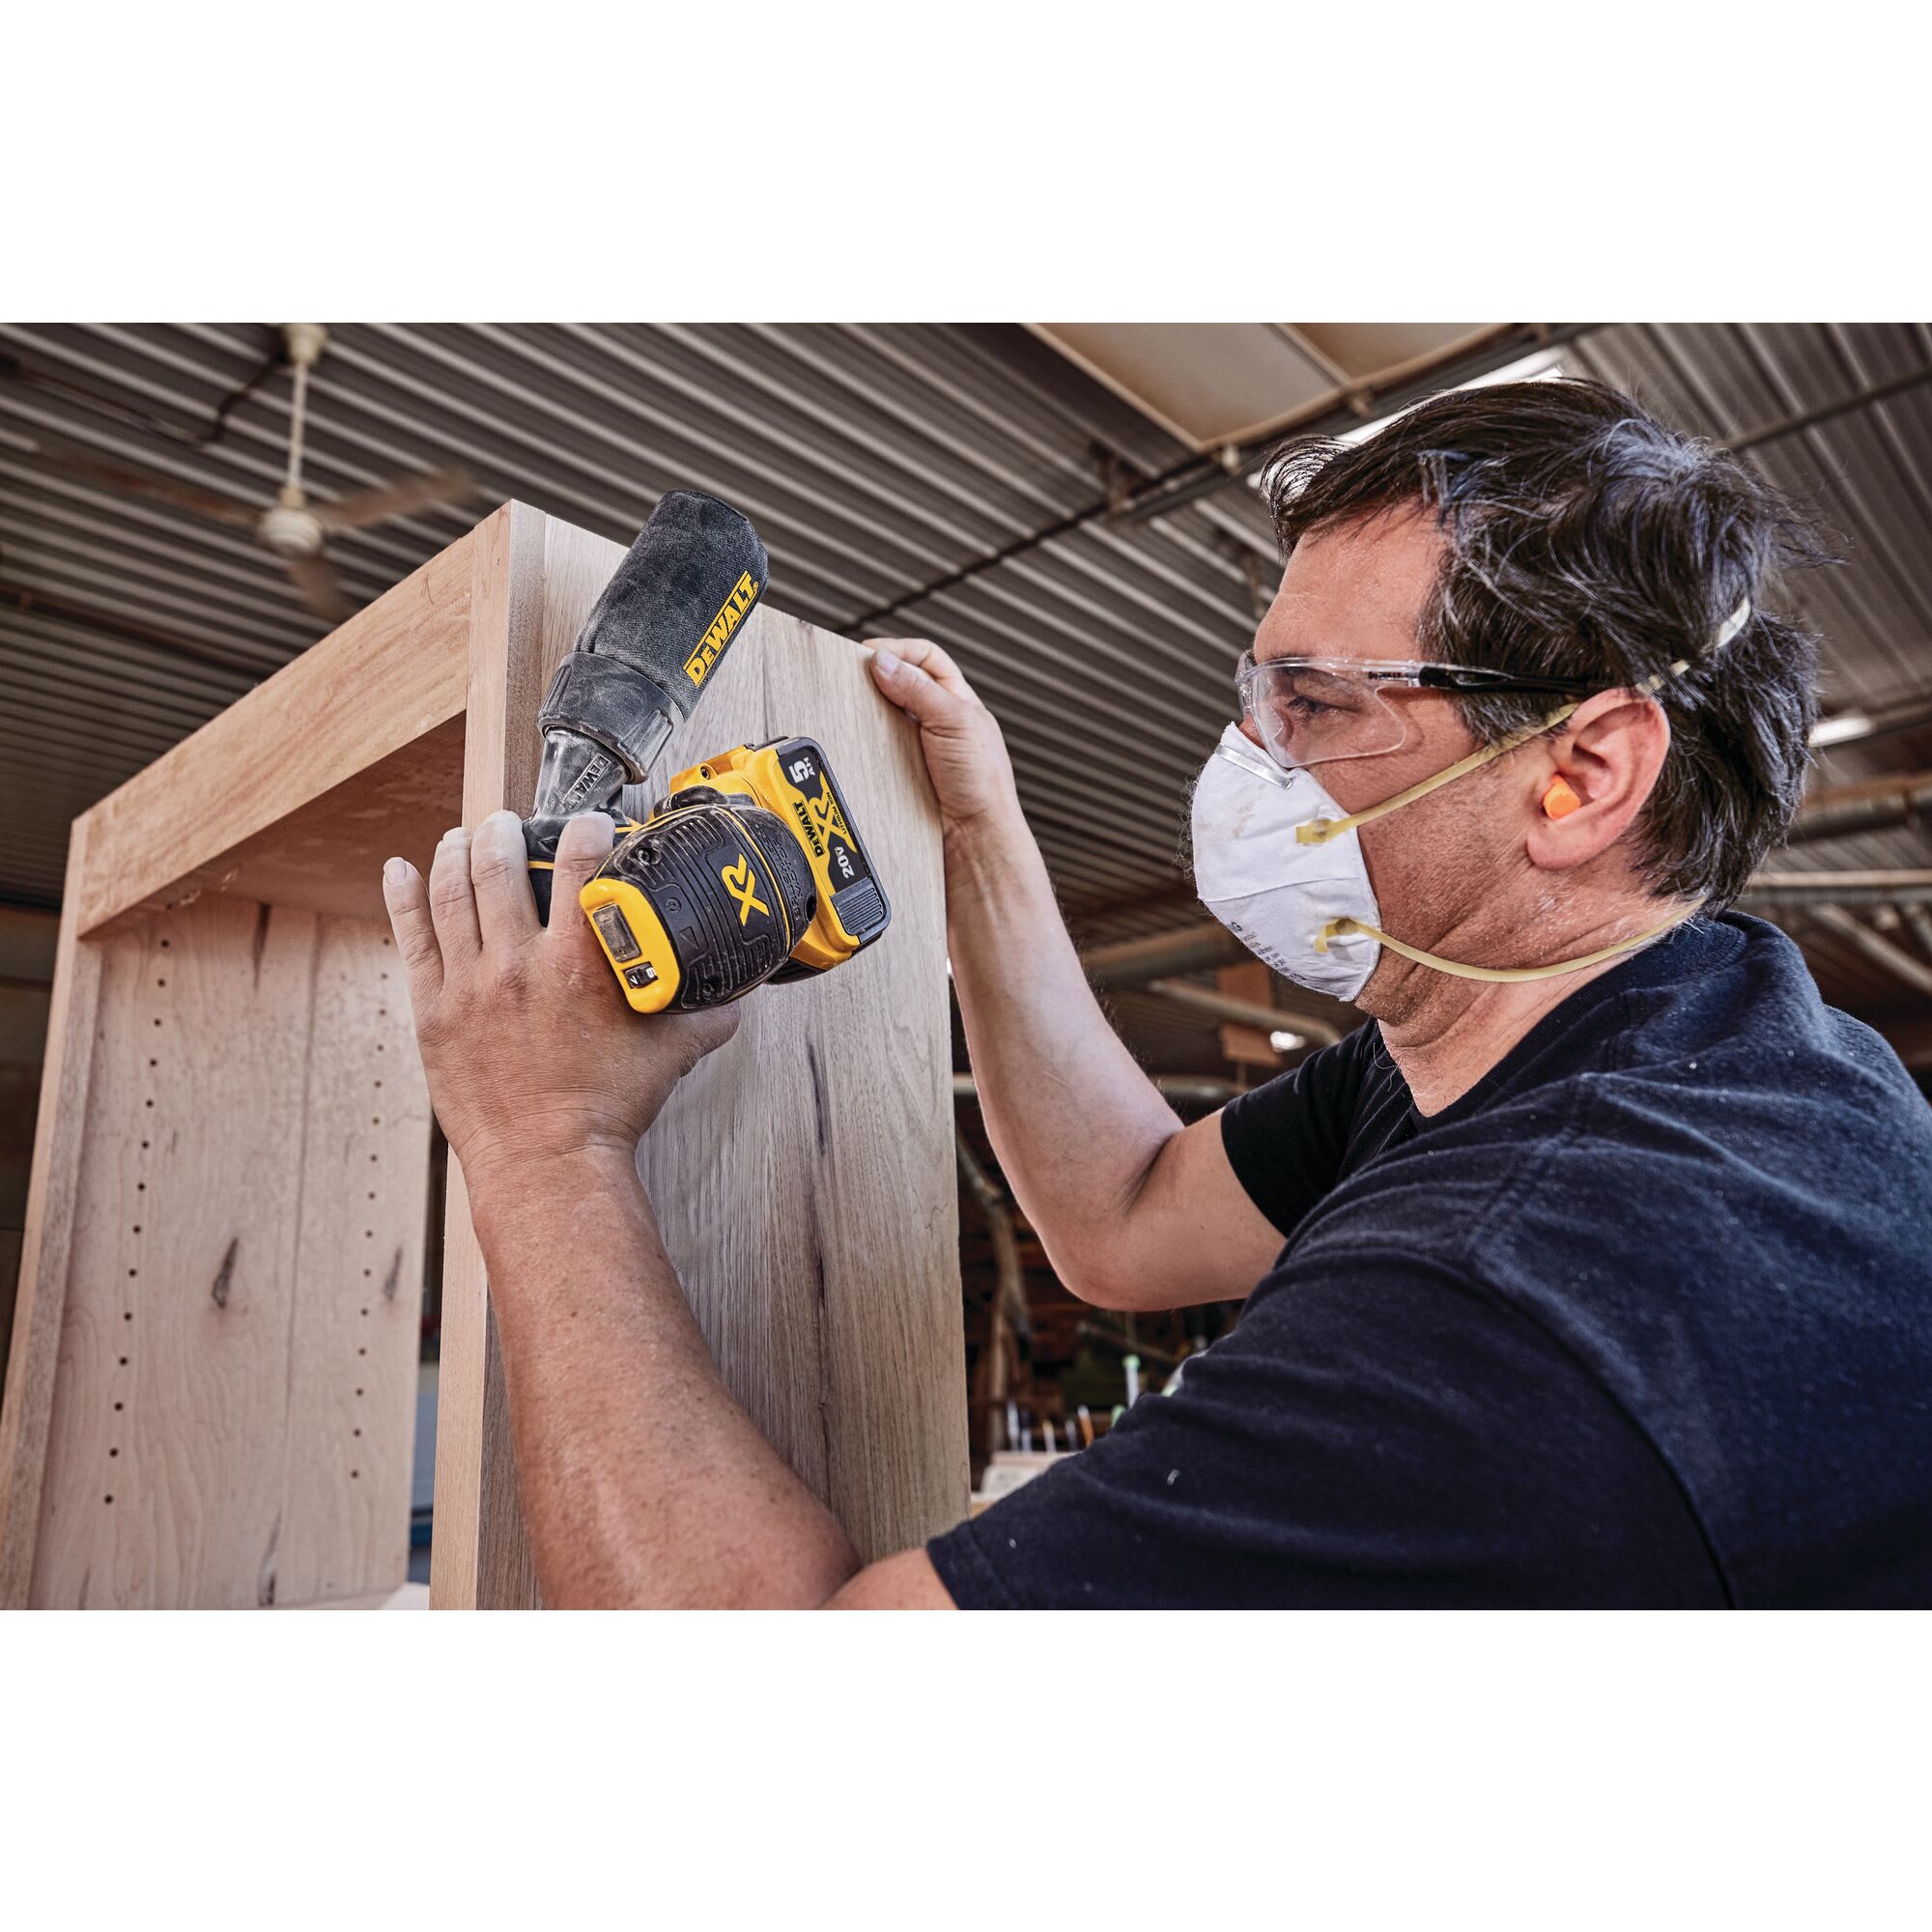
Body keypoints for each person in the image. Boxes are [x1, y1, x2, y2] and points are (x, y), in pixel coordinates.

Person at [382, 379, 1932, 1607]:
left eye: (1315, 706)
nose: (1252, 763)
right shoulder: (1646, 1036)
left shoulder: (1517, 1296)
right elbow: (1121, 1213)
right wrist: (978, 837)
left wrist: (543, 1143)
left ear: (1582, 774)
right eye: (1259, 697)